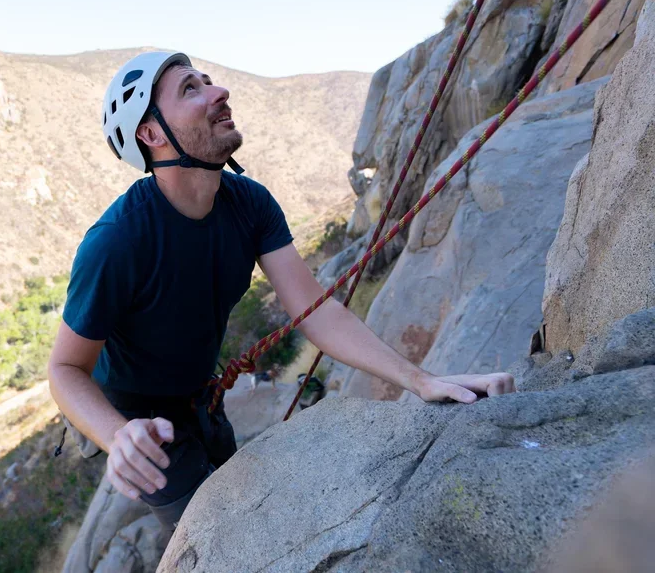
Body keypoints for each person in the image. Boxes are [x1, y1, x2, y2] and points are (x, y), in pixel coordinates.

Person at [47, 51, 516, 532]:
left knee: (236, 496)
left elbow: (316, 312)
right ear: (151, 134)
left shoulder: (249, 203)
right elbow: (64, 368)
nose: (218, 91)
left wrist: (421, 382)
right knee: (216, 534)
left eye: (208, 81)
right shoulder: (118, 241)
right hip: (139, 418)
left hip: (197, 393)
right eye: (190, 88)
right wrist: (118, 434)